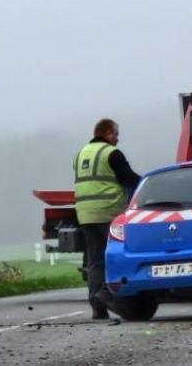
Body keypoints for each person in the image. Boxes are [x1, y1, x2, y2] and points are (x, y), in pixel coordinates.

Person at [73, 118, 141, 320]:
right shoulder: (111, 153)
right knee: (114, 256)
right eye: (116, 134)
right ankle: (107, 295)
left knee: (95, 260)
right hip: (108, 212)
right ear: (107, 133)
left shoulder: (81, 153)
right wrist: (148, 183)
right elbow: (129, 179)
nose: (117, 139)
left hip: (85, 214)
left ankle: (97, 307)